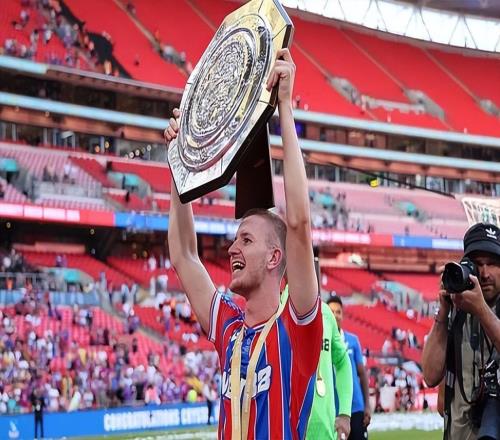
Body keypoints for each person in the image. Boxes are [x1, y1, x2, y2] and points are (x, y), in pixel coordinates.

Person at [165, 48, 323, 439]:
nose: (232, 249)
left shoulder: (295, 330)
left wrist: (285, 107)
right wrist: (178, 164)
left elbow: (299, 224)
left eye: (246, 240)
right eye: (236, 240)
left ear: (274, 257)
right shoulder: (229, 328)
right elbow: (184, 256)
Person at [422, 223, 500, 440]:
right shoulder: (456, 310)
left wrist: (481, 309)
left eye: (493, 264)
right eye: (478, 264)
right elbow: (430, 376)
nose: (485, 273)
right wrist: (443, 312)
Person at [306, 301, 353, 440]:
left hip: (325, 431)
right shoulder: (275, 308)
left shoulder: (325, 312)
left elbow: (343, 361)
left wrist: (345, 413)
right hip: (285, 430)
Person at [328, 296, 372, 440]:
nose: (335, 315)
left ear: (342, 315)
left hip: (356, 407)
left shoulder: (352, 340)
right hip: (333, 410)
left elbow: (362, 374)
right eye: (331, 312)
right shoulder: (321, 343)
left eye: (338, 312)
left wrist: (367, 405)